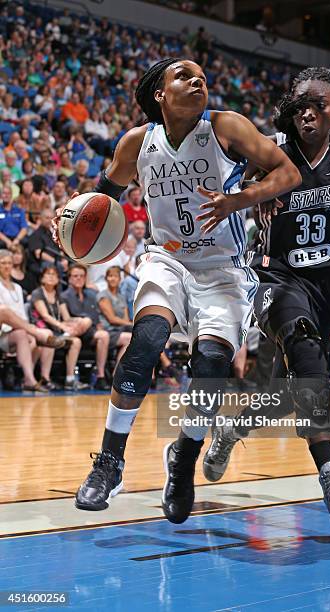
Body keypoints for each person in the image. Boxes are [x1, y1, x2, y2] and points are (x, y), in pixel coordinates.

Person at [58, 59, 300, 519]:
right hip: (166, 259)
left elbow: (287, 173)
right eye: (183, 76)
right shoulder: (136, 143)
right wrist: (68, 222)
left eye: (201, 76)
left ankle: (183, 459)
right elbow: (101, 200)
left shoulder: (227, 127)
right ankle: (110, 463)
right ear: (159, 94)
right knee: (146, 341)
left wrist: (240, 199)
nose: (197, 81)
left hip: (223, 269)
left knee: (210, 367)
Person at [203, 67, 330, 532]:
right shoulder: (269, 149)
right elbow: (231, 192)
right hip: (275, 275)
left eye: (319, 104)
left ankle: (232, 429)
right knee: (306, 351)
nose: (308, 112)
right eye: (300, 104)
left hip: (326, 283)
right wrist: (255, 192)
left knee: (292, 389)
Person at [0, 250, 65, 392]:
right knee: (5, 311)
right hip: (3, 333)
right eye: (3, 263)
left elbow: (23, 315)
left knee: (43, 334)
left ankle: (40, 378)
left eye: (9, 263)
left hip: (20, 331)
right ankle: (28, 378)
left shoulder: (17, 287)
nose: (6, 266)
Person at [29, 266, 86, 390]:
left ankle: (70, 380)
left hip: (56, 331)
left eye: (54, 275)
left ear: (58, 280)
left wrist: (78, 321)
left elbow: (66, 317)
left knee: (76, 341)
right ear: (42, 278)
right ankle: (45, 378)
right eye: (48, 274)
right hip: (40, 331)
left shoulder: (58, 295)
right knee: (51, 339)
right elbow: (45, 316)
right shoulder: (37, 293)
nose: (51, 277)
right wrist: (63, 326)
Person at [60, 264, 111, 390]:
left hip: (88, 332)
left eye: (82, 276)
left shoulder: (91, 295)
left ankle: (100, 376)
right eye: (75, 276)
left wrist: (90, 322)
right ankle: (70, 380)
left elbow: (96, 318)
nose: (79, 278)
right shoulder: (64, 296)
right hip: (72, 329)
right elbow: (66, 319)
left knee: (103, 335)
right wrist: (83, 320)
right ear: (69, 278)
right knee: (86, 320)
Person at [97, 266, 133, 362]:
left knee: (145, 335)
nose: (113, 279)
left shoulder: (121, 297)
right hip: (109, 331)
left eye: (116, 276)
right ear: (106, 279)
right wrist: (130, 324)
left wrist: (129, 324)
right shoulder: (103, 295)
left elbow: (125, 318)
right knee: (134, 338)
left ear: (120, 279)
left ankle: (151, 374)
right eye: (110, 276)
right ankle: (117, 373)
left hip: (122, 329)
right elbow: (112, 319)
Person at [0, 185, 28, 250]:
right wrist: (7, 241)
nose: (6, 195)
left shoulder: (19, 210)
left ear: (11, 195)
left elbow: (24, 228)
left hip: (18, 238)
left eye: (8, 193)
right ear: (1, 196)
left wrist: (17, 240)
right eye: (4, 193)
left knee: (26, 242)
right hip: (3, 239)